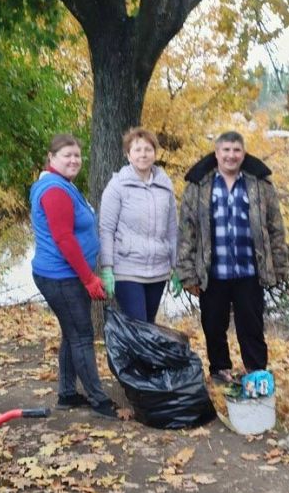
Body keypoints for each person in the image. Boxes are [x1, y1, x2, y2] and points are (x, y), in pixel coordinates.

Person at [177, 131, 288, 383]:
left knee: (252, 326)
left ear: (243, 153)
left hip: (249, 271)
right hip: (212, 272)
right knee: (213, 326)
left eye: (236, 150)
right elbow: (187, 230)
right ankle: (219, 370)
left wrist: (279, 267)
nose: (231, 155)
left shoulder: (260, 184)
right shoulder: (199, 186)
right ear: (216, 153)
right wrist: (186, 272)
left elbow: (275, 226)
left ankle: (256, 372)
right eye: (225, 150)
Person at [30, 133, 118, 418]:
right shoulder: (54, 189)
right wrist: (89, 278)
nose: (73, 160)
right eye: (66, 155)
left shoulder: (62, 184)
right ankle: (98, 399)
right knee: (82, 335)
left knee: (72, 333)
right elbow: (64, 239)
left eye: (77, 155)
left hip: (65, 274)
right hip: (61, 276)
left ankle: (67, 393)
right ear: (51, 158)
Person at [99, 127, 179, 323]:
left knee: (148, 327)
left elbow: (172, 230)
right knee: (139, 325)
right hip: (127, 269)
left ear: (155, 153)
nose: (143, 154)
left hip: (158, 271)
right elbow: (106, 229)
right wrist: (107, 267)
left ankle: (132, 355)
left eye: (148, 149)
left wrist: (177, 266)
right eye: (137, 150)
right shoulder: (117, 186)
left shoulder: (164, 185)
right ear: (128, 155)